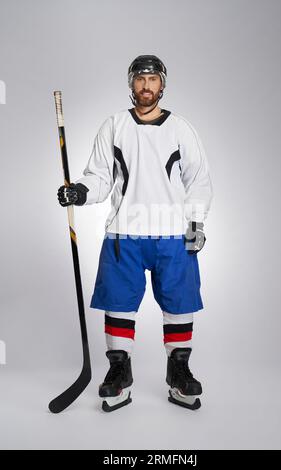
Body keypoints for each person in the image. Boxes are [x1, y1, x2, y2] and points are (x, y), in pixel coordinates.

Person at [57, 55, 213, 412]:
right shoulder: (114, 125)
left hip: (172, 233)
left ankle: (179, 371)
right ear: (131, 84)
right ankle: (118, 372)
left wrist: (195, 222)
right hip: (123, 232)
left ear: (163, 84)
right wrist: (80, 191)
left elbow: (200, 182)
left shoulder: (181, 129)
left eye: (153, 79)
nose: (146, 86)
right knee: (119, 301)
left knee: (179, 301)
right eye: (140, 79)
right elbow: (99, 176)